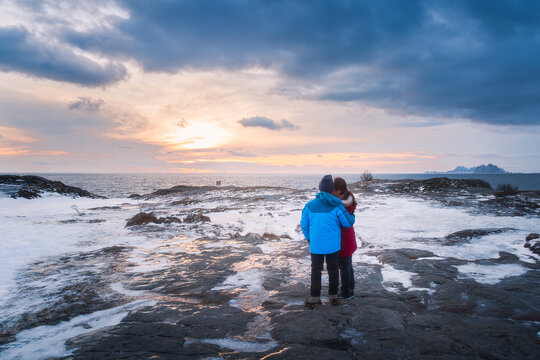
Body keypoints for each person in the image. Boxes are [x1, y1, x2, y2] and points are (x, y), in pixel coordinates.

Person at [300, 174, 355, 308]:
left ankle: (314, 297)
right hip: (333, 246)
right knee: (333, 271)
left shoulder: (309, 205)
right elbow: (347, 223)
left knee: (316, 270)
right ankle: (333, 297)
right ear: (331, 190)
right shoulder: (336, 205)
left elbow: (304, 224)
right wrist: (352, 216)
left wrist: (309, 238)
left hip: (316, 245)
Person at [333, 177, 358, 299]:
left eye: (333, 189)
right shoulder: (347, 200)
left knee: (344, 267)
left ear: (338, 190)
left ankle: (347, 293)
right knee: (347, 266)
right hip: (347, 239)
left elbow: (341, 221)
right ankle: (349, 290)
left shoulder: (341, 204)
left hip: (344, 240)